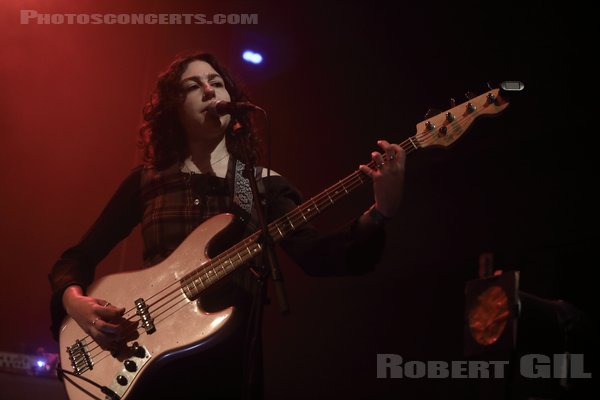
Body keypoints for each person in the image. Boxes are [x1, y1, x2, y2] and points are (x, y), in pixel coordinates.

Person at [48, 52, 406, 399]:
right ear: (174, 107)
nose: (209, 91)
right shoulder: (147, 181)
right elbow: (75, 259)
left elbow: (319, 257)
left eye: (217, 83)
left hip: (228, 369)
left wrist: (380, 209)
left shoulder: (262, 184)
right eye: (193, 85)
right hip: (146, 364)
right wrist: (77, 304)